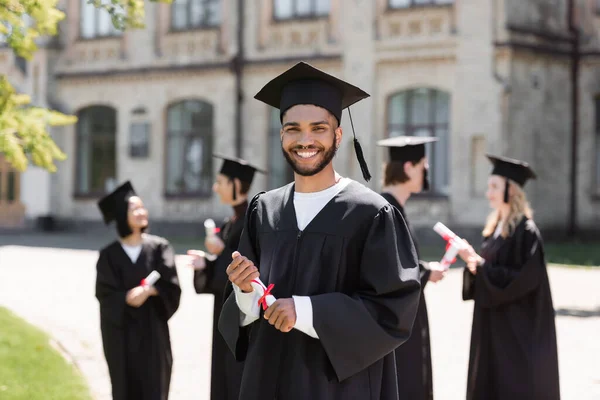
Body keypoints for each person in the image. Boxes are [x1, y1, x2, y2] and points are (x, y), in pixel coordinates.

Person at [218, 61, 422, 400]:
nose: (305, 139)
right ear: (282, 134)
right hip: (267, 380)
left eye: (319, 128)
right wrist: (243, 290)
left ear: (338, 135)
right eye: (293, 128)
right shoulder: (263, 210)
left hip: (338, 388)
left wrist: (307, 311)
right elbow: (249, 306)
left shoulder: (371, 214)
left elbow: (393, 311)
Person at [457, 155, 560, 400]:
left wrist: (478, 264)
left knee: (512, 384)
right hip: (493, 326)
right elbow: (488, 273)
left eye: (494, 186)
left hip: (516, 331)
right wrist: (474, 265)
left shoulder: (526, 232)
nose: (488, 193)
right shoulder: (494, 228)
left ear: (510, 190)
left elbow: (522, 281)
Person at [186, 154, 265, 400]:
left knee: (237, 376)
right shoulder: (231, 221)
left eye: (220, 181)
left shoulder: (253, 222)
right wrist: (207, 263)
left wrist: (219, 256)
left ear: (236, 185)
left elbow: (247, 272)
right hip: (225, 314)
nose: (215, 187)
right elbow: (223, 271)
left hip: (244, 318)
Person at [95, 181, 182, 400]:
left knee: (154, 387)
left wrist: (152, 291)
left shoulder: (159, 247)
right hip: (121, 337)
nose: (142, 212)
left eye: (142, 207)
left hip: (152, 334)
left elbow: (171, 285)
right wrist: (125, 297)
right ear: (122, 215)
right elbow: (104, 295)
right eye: (135, 209)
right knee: (125, 389)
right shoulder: (108, 255)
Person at [377, 136, 448, 400]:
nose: (426, 172)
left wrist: (425, 268)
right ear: (408, 168)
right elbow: (390, 271)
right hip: (394, 323)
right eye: (423, 166)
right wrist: (427, 272)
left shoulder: (395, 209)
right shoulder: (385, 211)